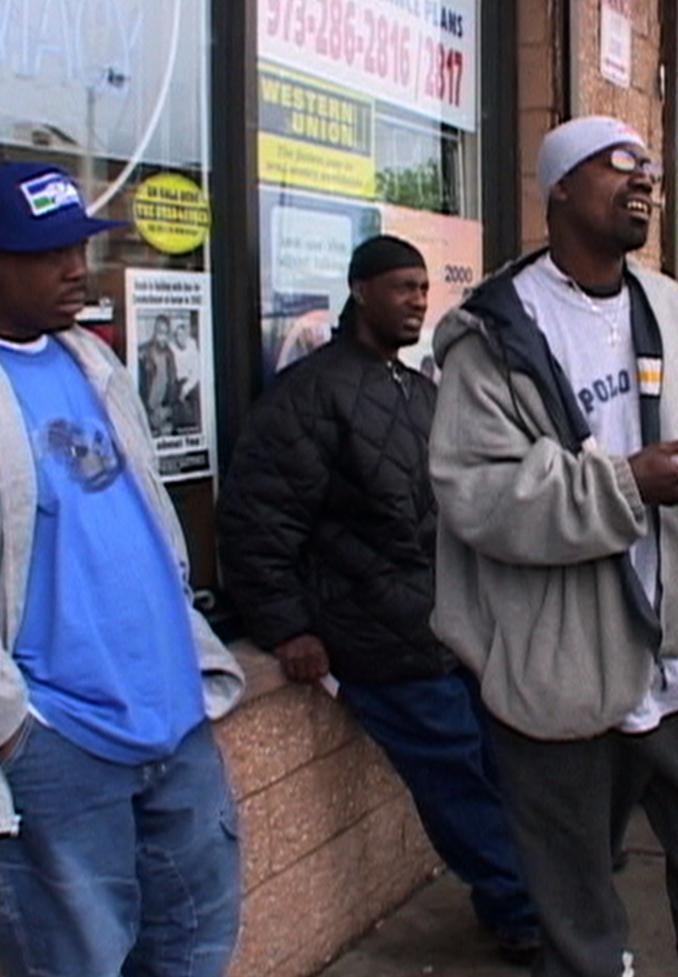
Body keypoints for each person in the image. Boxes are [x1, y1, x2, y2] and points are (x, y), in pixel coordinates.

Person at [427, 116, 678, 977]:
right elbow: (480, 493)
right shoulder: (495, 335)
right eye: (618, 166)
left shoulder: (677, 311)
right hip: (564, 673)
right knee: (579, 921)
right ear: (560, 189)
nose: (644, 178)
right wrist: (625, 488)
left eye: (649, 166)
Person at [0, 161, 246, 977]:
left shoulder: (89, 357)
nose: (74, 271)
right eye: (48, 254)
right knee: (78, 960)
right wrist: (13, 732)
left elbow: (141, 517)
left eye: (78, 249)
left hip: (172, 714)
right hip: (61, 738)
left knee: (198, 938)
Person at [215, 234, 542, 964]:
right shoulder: (310, 395)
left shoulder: (420, 389)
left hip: (448, 626)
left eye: (424, 288)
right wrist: (286, 628)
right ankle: (525, 906)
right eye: (401, 287)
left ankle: (529, 892)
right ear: (359, 291)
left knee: (500, 764)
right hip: (374, 637)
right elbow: (257, 521)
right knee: (456, 777)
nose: (418, 301)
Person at [138, 312, 178, 434]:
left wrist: (167, 410)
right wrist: (148, 413)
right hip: (145, 413)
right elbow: (138, 389)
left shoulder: (170, 355)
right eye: (160, 332)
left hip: (161, 412)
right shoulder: (143, 354)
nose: (163, 337)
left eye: (166, 333)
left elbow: (172, 385)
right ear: (154, 332)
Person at [170, 316, 201, 431]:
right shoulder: (171, 348)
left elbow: (197, 371)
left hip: (191, 381)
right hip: (177, 381)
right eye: (178, 335)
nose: (181, 338)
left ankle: (195, 427)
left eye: (184, 335)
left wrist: (186, 388)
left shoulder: (192, 345)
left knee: (196, 394)